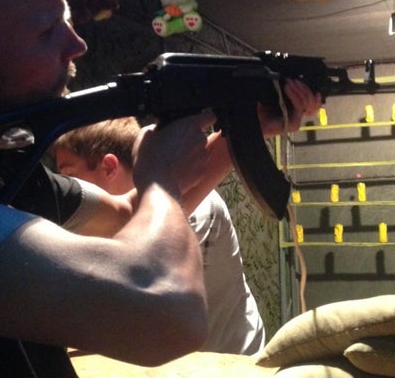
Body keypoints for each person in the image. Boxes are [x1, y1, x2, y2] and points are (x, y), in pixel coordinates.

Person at [0, 0, 320, 374]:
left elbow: (124, 216)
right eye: (46, 31)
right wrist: (161, 180)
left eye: (67, 20)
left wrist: (239, 133)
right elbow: (168, 312)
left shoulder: (13, 168)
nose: (77, 44)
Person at [53, 117, 267, 355]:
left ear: (109, 168)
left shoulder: (191, 210)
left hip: (232, 362)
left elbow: (138, 298)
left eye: (69, 174)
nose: (70, 187)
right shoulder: (135, 214)